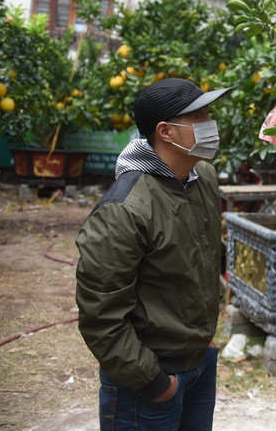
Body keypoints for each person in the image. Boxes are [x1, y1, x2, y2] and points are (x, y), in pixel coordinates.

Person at [76, 78, 231, 431]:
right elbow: (101, 315)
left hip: (199, 362)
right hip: (148, 380)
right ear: (166, 132)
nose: (211, 124)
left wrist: (203, 338)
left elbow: (200, 262)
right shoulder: (125, 208)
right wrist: (156, 383)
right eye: (200, 116)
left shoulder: (202, 177)